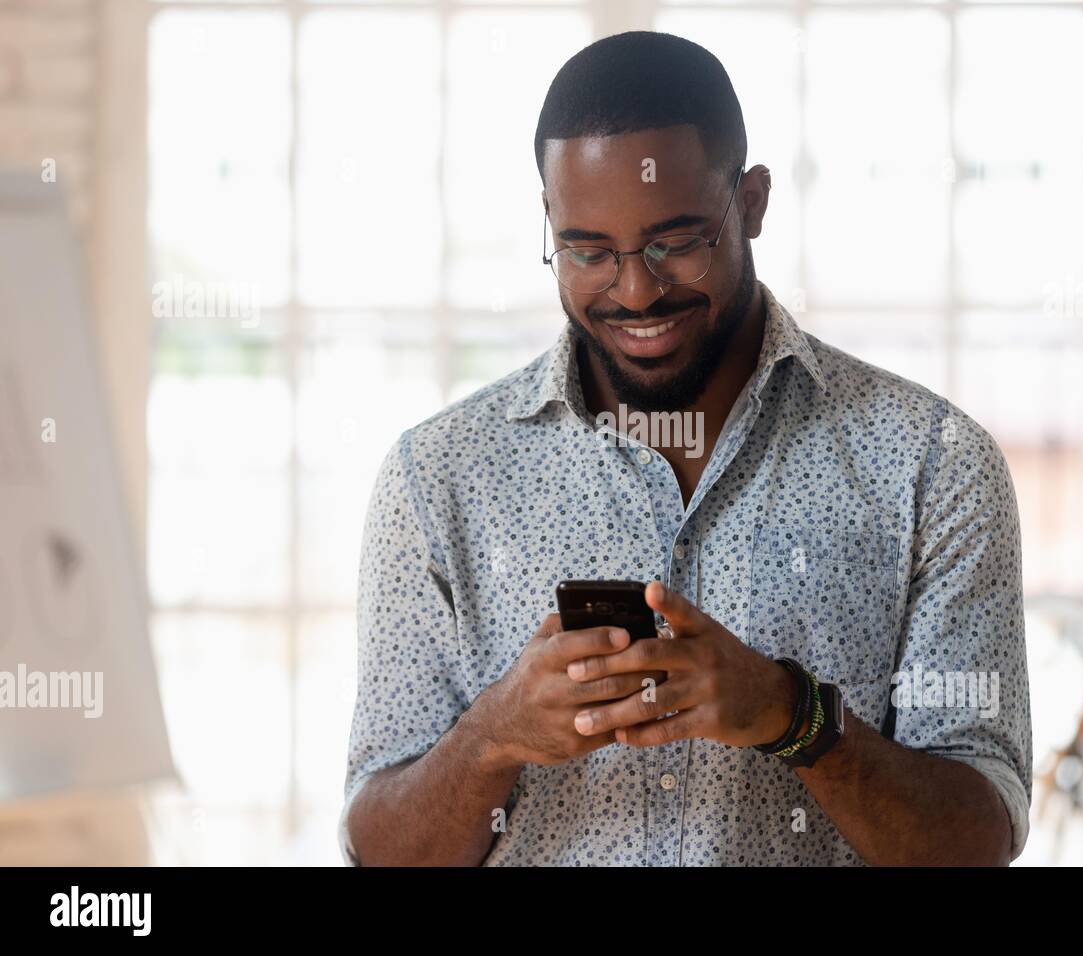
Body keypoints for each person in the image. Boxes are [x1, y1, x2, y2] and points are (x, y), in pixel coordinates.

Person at [341, 30, 1031, 866]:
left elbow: (976, 842)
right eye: (589, 252)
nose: (636, 291)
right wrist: (490, 737)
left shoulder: (931, 462)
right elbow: (378, 849)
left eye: (675, 243)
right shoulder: (437, 479)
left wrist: (792, 714)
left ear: (752, 202)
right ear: (550, 228)